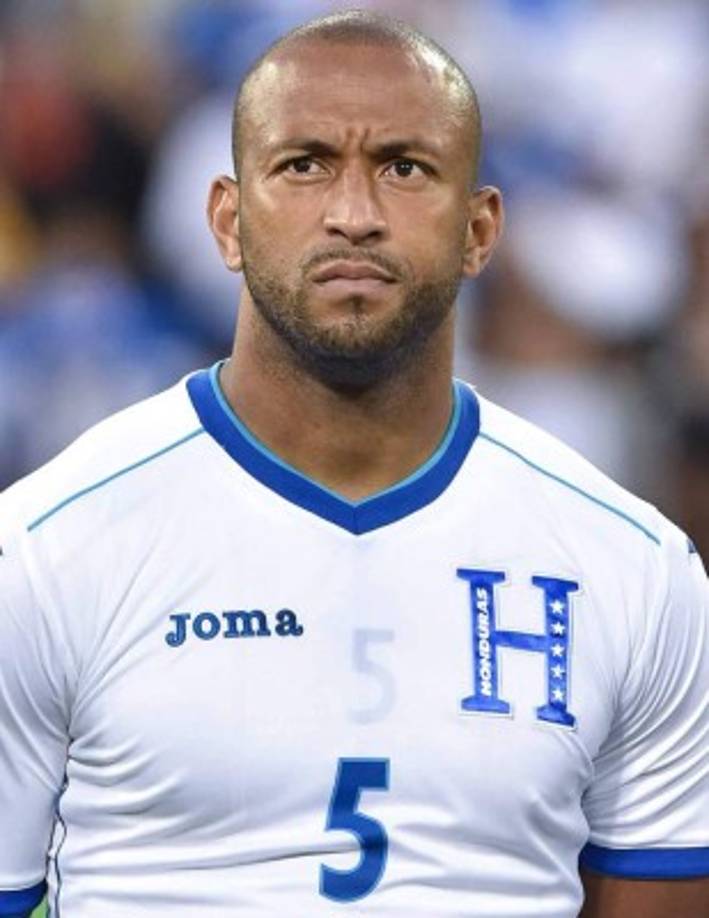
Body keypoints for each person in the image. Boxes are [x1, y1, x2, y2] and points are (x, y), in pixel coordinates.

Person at [0, 10, 707, 917]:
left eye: (404, 168)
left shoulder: (634, 569)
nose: (353, 215)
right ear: (226, 219)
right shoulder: (47, 550)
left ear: (480, 230)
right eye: (303, 165)